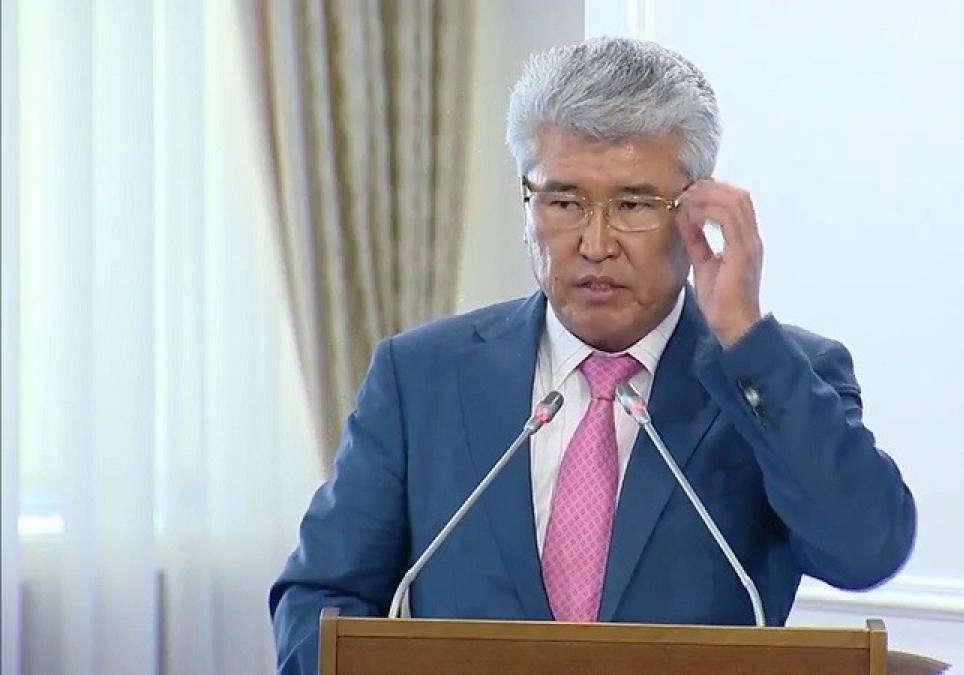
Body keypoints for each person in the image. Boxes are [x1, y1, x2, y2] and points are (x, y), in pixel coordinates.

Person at [270, 36, 916, 674]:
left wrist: (746, 341)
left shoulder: (774, 377)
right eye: (564, 202)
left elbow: (865, 551)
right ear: (528, 202)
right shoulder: (421, 376)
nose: (596, 243)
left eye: (633, 204)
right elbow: (320, 597)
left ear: (697, 211)